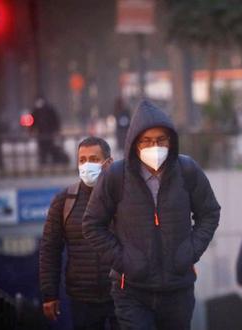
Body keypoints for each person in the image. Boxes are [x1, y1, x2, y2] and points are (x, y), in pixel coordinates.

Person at [82, 99, 221, 330]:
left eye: (160, 140)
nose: (154, 146)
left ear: (171, 141)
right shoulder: (116, 176)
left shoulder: (187, 170)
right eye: (146, 141)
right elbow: (92, 225)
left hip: (178, 290)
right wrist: (124, 260)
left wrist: (190, 252)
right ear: (134, 144)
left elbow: (209, 213)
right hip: (132, 291)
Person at [39, 136, 118, 330]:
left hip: (122, 295)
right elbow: (50, 248)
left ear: (108, 163)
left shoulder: (125, 198)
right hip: (82, 299)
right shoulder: (64, 201)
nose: (87, 165)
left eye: (93, 159)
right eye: (82, 160)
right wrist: (50, 294)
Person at [30, 96, 67, 164]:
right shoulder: (40, 110)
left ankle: (46, 161)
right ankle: (45, 161)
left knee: (47, 148)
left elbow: (55, 120)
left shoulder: (46, 109)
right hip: (44, 133)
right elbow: (33, 121)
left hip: (47, 133)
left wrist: (56, 129)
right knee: (45, 148)